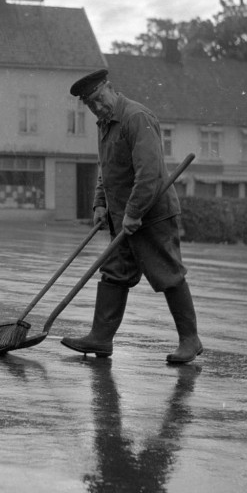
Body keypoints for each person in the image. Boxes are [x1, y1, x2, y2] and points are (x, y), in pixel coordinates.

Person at [62, 69, 203, 364]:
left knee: (168, 273)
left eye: (99, 99)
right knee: (115, 273)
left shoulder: (136, 118)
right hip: (123, 216)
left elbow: (148, 174)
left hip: (152, 214)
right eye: (91, 105)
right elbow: (108, 169)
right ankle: (101, 338)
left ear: (110, 88)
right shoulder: (106, 124)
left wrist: (134, 213)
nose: (97, 108)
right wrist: (100, 204)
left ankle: (190, 340)